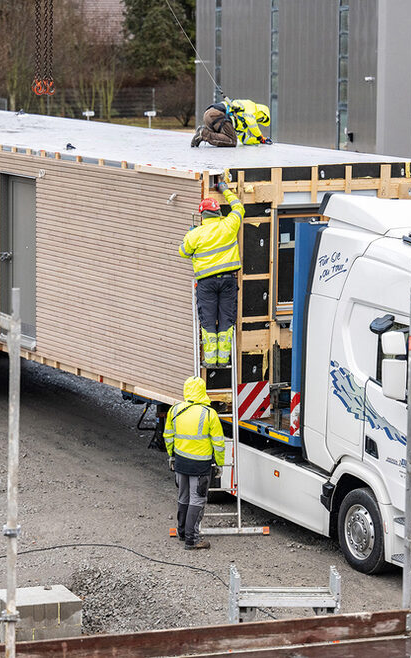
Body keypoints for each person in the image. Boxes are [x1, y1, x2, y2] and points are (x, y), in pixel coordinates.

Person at [179, 177, 245, 368]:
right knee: (226, 320)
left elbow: (183, 252)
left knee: (208, 322)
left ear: (202, 216)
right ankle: (223, 360)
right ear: (218, 212)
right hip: (228, 281)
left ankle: (210, 360)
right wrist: (224, 189)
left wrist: (189, 235)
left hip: (206, 284)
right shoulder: (229, 225)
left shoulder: (196, 234)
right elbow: (239, 207)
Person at [164, 376, 226, 550]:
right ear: (202, 391)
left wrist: (172, 456)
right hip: (200, 466)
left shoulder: (175, 410)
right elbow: (218, 443)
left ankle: (183, 532)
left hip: (181, 463)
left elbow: (168, 436)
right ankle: (192, 539)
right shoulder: (209, 414)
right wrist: (220, 464)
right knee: (197, 500)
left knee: (183, 498)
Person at [191, 98, 272, 148]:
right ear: (262, 112)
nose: (259, 121)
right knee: (232, 141)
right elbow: (252, 123)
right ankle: (203, 134)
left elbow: (245, 140)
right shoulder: (251, 107)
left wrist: (259, 141)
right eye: (262, 119)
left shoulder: (242, 122)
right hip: (217, 114)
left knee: (227, 137)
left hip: (212, 116)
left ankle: (204, 132)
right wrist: (260, 137)